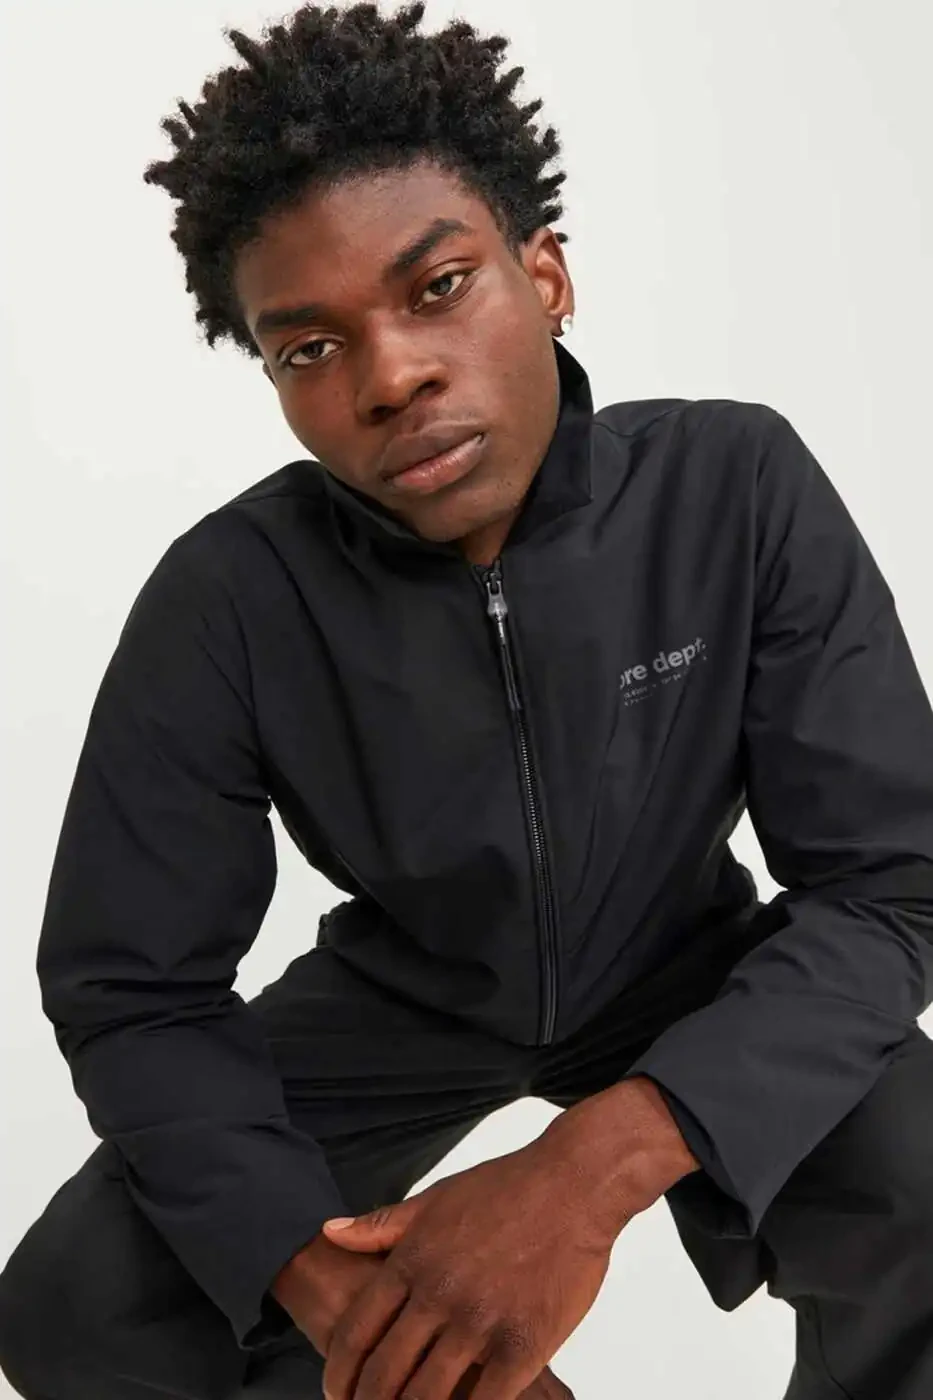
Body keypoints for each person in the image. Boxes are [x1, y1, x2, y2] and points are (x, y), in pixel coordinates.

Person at [2, 3, 933, 1397]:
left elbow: (889, 884)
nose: (391, 376)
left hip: (684, 972)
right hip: (407, 1000)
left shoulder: (734, 488)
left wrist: (584, 1174)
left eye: (437, 286)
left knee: (926, 1178)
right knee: (78, 1304)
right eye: (309, 349)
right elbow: (134, 992)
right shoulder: (228, 598)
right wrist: (353, 1314)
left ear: (545, 273)